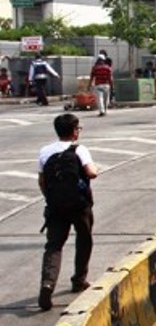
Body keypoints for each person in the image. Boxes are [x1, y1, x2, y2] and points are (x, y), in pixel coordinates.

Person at [37, 113, 99, 311]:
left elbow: (42, 181)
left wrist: (51, 199)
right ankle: (79, 279)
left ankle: (47, 283)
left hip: (55, 206)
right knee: (84, 238)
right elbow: (91, 173)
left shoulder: (45, 151)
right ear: (74, 132)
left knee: (54, 246)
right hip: (79, 205)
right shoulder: (79, 149)